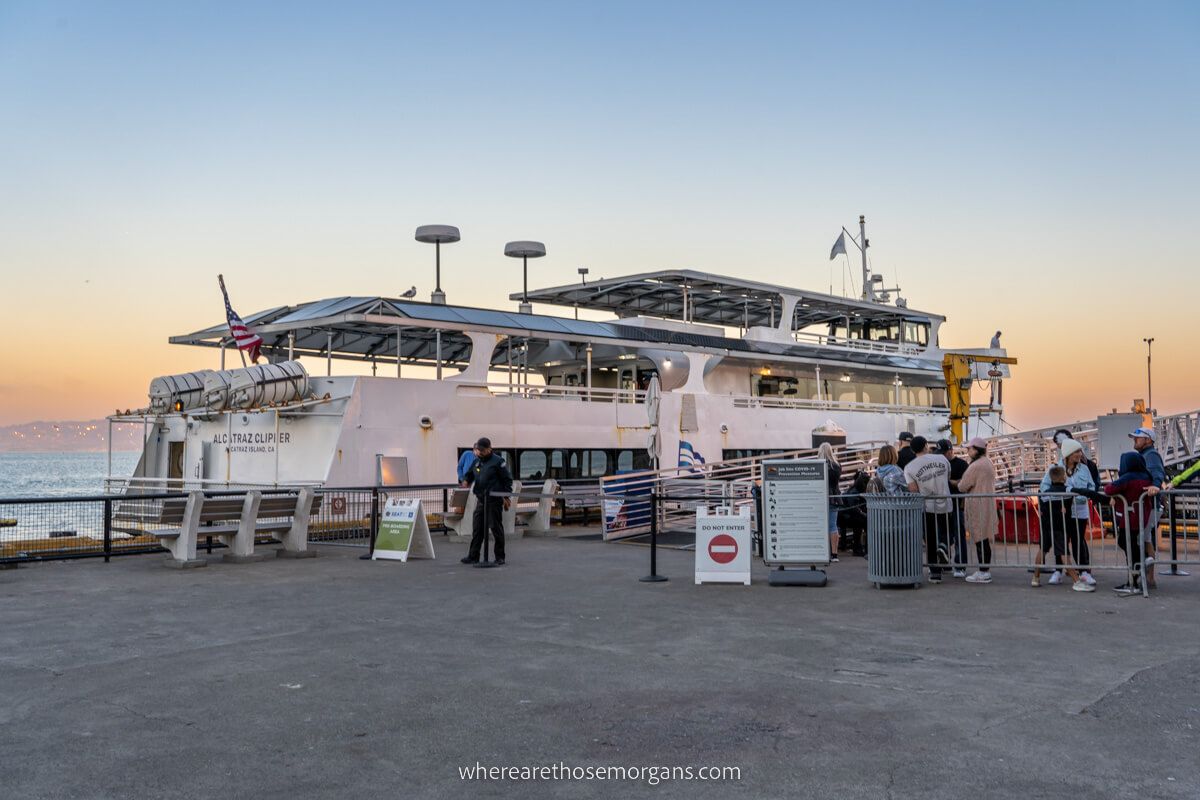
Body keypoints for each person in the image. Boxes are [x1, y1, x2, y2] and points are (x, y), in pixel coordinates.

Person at [1034, 441, 1095, 591]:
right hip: (1059, 514)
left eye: (1080, 451)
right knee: (1060, 543)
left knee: (1077, 541)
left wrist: (1078, 497)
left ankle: (1083, 571)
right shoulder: (1055, 469)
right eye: (1076, 452)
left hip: (1079, 511)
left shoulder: (1085, 469)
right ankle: (1059, 571)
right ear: (1068, 454)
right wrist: (1062, 497)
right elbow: (1044, 488)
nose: (1080, 454)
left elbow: (1091, 487)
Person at [1104, 451, 1155, 595]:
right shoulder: (1146, 476)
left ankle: (1134, 577)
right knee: (1131, 544)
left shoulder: (1127, 478)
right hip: (1142, 515)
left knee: (1126, 544)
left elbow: (1109, 489)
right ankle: (1141, 563)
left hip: (1128, 517)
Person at [903, 435, 953, 583]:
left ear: (912, 450)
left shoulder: (909, 467)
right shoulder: (942, 459)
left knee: (930, 538)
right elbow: (948, 477)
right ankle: (944, 546)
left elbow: (913, 490)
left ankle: (934, 573)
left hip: (927, 505)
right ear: (926, 445)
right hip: (946, 501)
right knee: (947, 531)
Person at [461, 437, 513, 566]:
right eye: (478, 450)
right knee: (477, 528)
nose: (480, 452)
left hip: (494, 500)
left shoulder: (498, 462)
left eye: (482, 450)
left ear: (489, 448)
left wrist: (506, 497)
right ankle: (473, 556)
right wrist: (466, 480)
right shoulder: (477, 461)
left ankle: (500, 557)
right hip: (481, 500)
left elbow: (507, 480)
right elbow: (470, 473)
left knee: (496, 528)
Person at [957, 437, 997, 584]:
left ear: (976, 449)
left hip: (977, 504)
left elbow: (963, 486)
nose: (967, 451)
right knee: (984, 538)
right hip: (987, 503)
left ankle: (983, 571)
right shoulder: (988, 462)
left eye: (969, 449)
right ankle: (984, 570)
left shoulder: (976, 466)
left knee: (980, 539)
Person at [1130, 427, 1166, 586]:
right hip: (1147, 505)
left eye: (1138, 438)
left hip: (1150, 505)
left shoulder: (1150, 455)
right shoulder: (1144, 455)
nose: (1135, 440)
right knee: (1145, 539)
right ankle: (1148, 577)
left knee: (1144, 539)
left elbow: (1158, 473)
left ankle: (1149, 578)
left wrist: (1155, 486)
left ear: (1148, 440)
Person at [936, 439, 970, 578]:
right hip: (942, 505)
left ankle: (960, 565)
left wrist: (953, 484)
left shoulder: (961, 464)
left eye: (944, 453)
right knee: (943, 534)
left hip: (956, 504)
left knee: (959, 534)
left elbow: (966, 484)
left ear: (951, 451)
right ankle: (944, 561)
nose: (942, 456)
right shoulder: (938, 464)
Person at [817, 442, 842, 562]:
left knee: (820, 525)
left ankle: (821, 552)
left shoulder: (818, 465)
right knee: (833, 525)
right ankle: (834, 554)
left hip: (820, 497)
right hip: (834, 497)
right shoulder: (837, 465)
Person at [837, 470, 870, 557]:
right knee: (861, 522)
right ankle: (859, 548)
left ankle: (861, 548)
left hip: (846, 515)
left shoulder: (855, 489)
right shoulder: (854, 492)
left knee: (862, 521)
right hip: (844, 517)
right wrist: (865, 515)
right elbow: (854, 509)